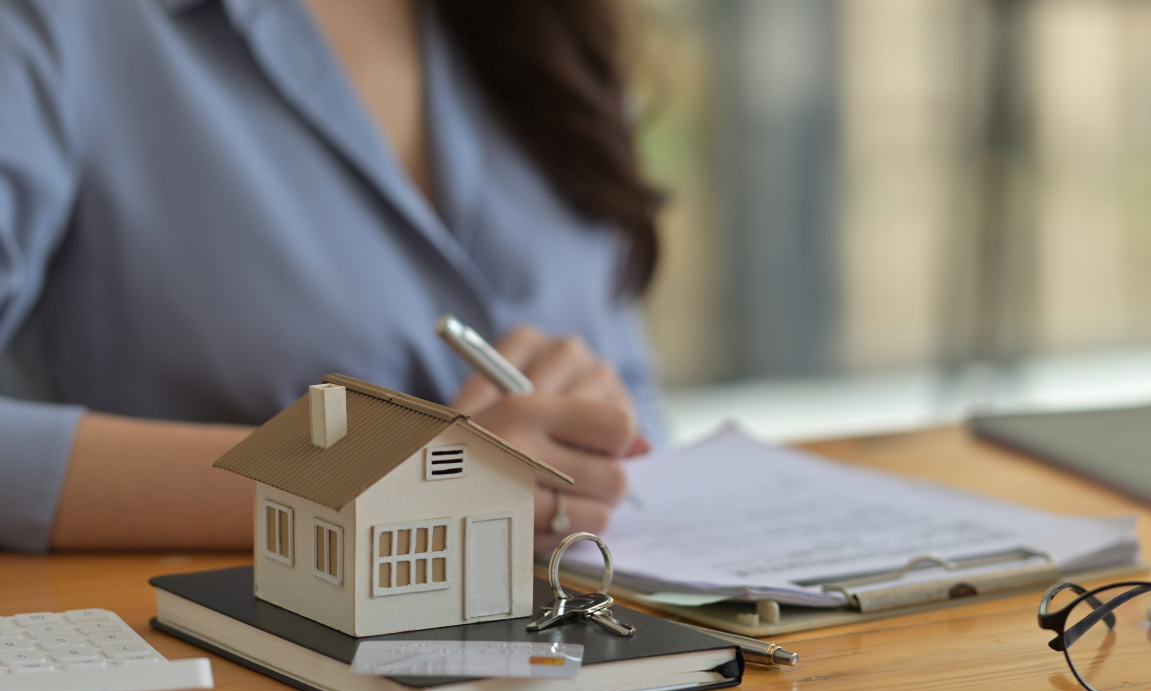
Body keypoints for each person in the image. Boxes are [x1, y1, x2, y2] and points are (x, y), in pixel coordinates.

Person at [0, 0, 664, 552]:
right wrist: (371, 480)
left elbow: (638, 398)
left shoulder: (554, 26)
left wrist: (591, 430)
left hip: (585, 655)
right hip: (240, 678)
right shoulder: (62, 23)